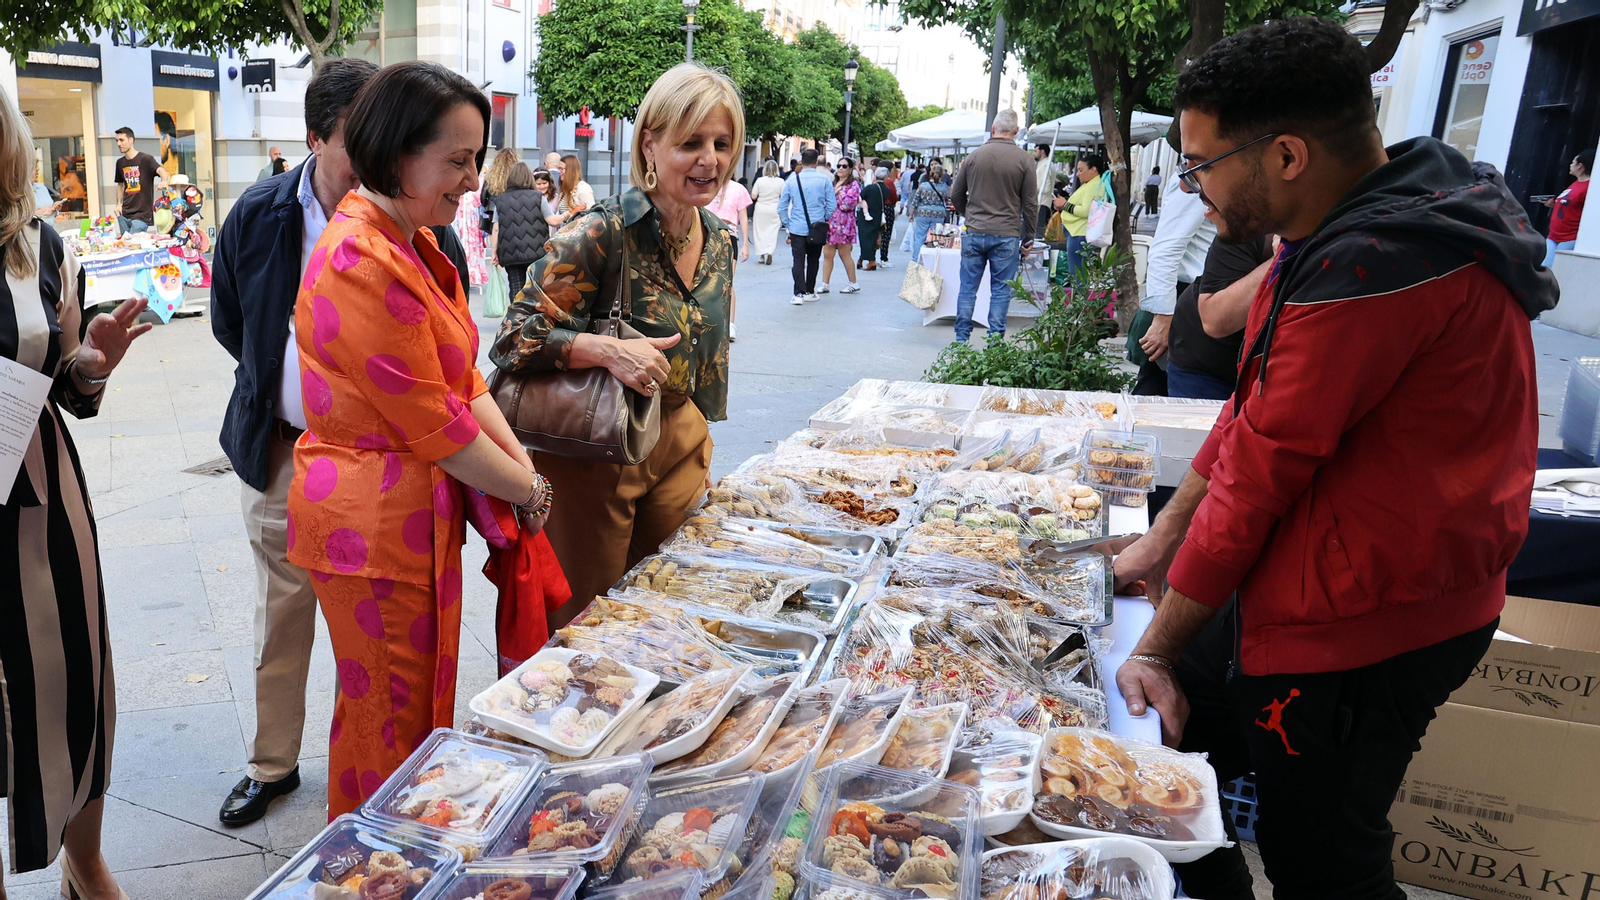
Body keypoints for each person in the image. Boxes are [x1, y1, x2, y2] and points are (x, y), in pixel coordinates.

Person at [1109, 18, 1557, 900]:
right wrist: (1159, 543)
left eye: (1202, 165)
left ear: (1283, 156)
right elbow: (1246, 415)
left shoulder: (1377, 269)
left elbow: (1258, 475)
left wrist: (1158, 649)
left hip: (1374, 620)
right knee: (1181, 745)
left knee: (1323, 858)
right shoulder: (1357, 224)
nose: (1197, 192)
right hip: (1329, 583)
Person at [290, 60, 551, 820]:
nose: (473, 180)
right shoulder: (358, 258)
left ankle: (398, 853)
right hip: (370, 529)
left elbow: (464, 378)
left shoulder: (411, 242)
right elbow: (440, 429)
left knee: (415, 715)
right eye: (459, 160)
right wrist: (526, 487)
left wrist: (524, 468)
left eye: (476, 158)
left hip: (409, 519)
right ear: (399, 152)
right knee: (387, 725)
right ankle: (372, 865)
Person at [491, 62, 739, 620]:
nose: (711, 159)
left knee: (670, 610)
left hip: (678, 440)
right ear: (649, 144)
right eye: (691, 142)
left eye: (722, 143)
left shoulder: (721, 241)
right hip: (596, 446)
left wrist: (699, 440)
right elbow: (511, 338)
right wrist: (607, 350)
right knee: (588, 622)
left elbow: (710, 351)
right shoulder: (602, 231)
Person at [210, 57, 380, 827]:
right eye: (359, 139)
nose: (379, 154)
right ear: (315, 138)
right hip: (282, 452)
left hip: (375, 466)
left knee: (366, 622)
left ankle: (367, 765)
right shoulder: (260, 213)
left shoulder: (407, 216)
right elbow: (230, 323)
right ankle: (272, 764)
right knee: (282, 613)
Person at [0, 84, 153, 900]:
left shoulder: (40, 246)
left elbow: (69, 386)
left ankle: (82, 857)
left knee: (73, 675)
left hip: (40, 504)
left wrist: (92, 363)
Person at [949, 109, 1037, 342]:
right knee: (1000, 290)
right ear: (1016, 132)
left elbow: (956, 194)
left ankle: (961, 340)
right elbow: (1030, 204)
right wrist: (1029, 237)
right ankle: (995, 341)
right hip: (1007, 232)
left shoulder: (974, 156)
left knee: (968, 287)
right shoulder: (1025, 160)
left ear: (993, 129)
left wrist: (969, 214)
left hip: (975, 230)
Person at [1133, 173, 1217, 396]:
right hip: (1181, 300)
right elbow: (1166, 250)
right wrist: (1163, 318)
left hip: (1200, 298)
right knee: (1156, 397)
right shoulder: (1196, 177)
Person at [1167, 234, 1274, 399]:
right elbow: (1216, 321)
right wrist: (1282, 257)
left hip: (1272, 368)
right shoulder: (1249, 228)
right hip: (1207, 363)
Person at [491, 162, 558, 303]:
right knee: (538, 288)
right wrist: (566, 215)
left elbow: (496, 229)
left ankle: (516, 320)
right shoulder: (539, 197)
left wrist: (494, 253)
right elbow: (552, 220)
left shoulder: (500, 199)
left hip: (511, 253)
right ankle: (535, 319)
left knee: (516, 288)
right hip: (537, 253)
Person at [778, 147, 837, 304]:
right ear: (817, 162)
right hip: (816, 227)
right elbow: (832, 205)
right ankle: (810, 291)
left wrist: (788, 224)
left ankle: (798, 294)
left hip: (797, 227)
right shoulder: (824, 180)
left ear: (801, 161)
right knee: (813, 259)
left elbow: (781, 207)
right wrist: (823, 217)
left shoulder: (791, 180)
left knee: (798, 260)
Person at [1058, 152, 1107, 278]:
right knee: (1076, 271)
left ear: (1093, 169)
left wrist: (1065, 205)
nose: (1078, 174)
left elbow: (1086, 211)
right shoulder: (1090, 184)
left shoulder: (1095, 185)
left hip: (1079, 234)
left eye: (1081, 170)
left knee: (1077, 272)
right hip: (1075, 232)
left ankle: (1079, 296)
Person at [112, 126, 166, 234]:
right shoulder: (120, 163)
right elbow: (120, 185)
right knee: (126, 246)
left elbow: (161, 170)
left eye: (121, 140)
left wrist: (164, 180)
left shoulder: (145, 159)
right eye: (117, 140)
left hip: (142, 215)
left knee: (133, 243)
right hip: (124, 213)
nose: (118, 144)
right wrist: (118, 204)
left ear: (131, 140)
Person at [818, 159, 861, 294]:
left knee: (844, 253)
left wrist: (839, 192)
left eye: (844, 166)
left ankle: (853, 283)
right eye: (839, 166)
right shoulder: (833, 183)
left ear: (850, 169)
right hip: (830, 222)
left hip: (845, 223)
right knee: (827, 253)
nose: (841, 169)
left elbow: (848, 204)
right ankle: (825, 283)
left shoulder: (854, 184)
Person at [1543, 148, 1591, 267]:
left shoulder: (1588, 187)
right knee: (1545, 267)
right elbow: (1570, 205)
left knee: (1556, 270)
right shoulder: (1576, 183)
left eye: (1573, 163)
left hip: (1568, 237)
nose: (1570, 165)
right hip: (1553, 235)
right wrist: (1553, 205)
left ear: (1580, 166)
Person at [907, 160, 951, 257]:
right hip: (938, 215)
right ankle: (931, 261)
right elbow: (948, 198)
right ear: (942, 175)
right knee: (934, 239)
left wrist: (911, 214)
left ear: (930, 173)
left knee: (919, 238)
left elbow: (915, 201)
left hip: (923, 213)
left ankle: (916, 260)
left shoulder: (923, 185)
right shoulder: (944, 187)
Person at [749, 159, 786, 265]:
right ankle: (770, 251)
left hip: (761, 208)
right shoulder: (781, 181)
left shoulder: (760, 180)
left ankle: (761, 255)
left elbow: (754, 196)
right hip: (775, 207)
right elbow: (783, 196)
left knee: (760, 231)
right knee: (772, 232)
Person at [480, 147, 522, 234]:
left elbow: (483, 197)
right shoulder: (517, 177)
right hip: (513, 214)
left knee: (495, 242)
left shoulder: (490, 177)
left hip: (493, 214)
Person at [857, 165, 886, 272]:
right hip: (878, 215)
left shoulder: (870, 188)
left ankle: (871, 260)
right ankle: (863, 258)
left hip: (866, 216)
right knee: (873, 238)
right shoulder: (885, 189)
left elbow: (860, 197)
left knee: (864, 239)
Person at [1034, 144, 1055, 236]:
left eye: (1036, 151)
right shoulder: (1043, 164)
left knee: (1039, 230)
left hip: (1042, 202)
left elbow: (1046, 187)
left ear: (1042, 152)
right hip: (1041, 201)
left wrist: (1033, 190)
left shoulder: (1046, 165)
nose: (1034, 154)